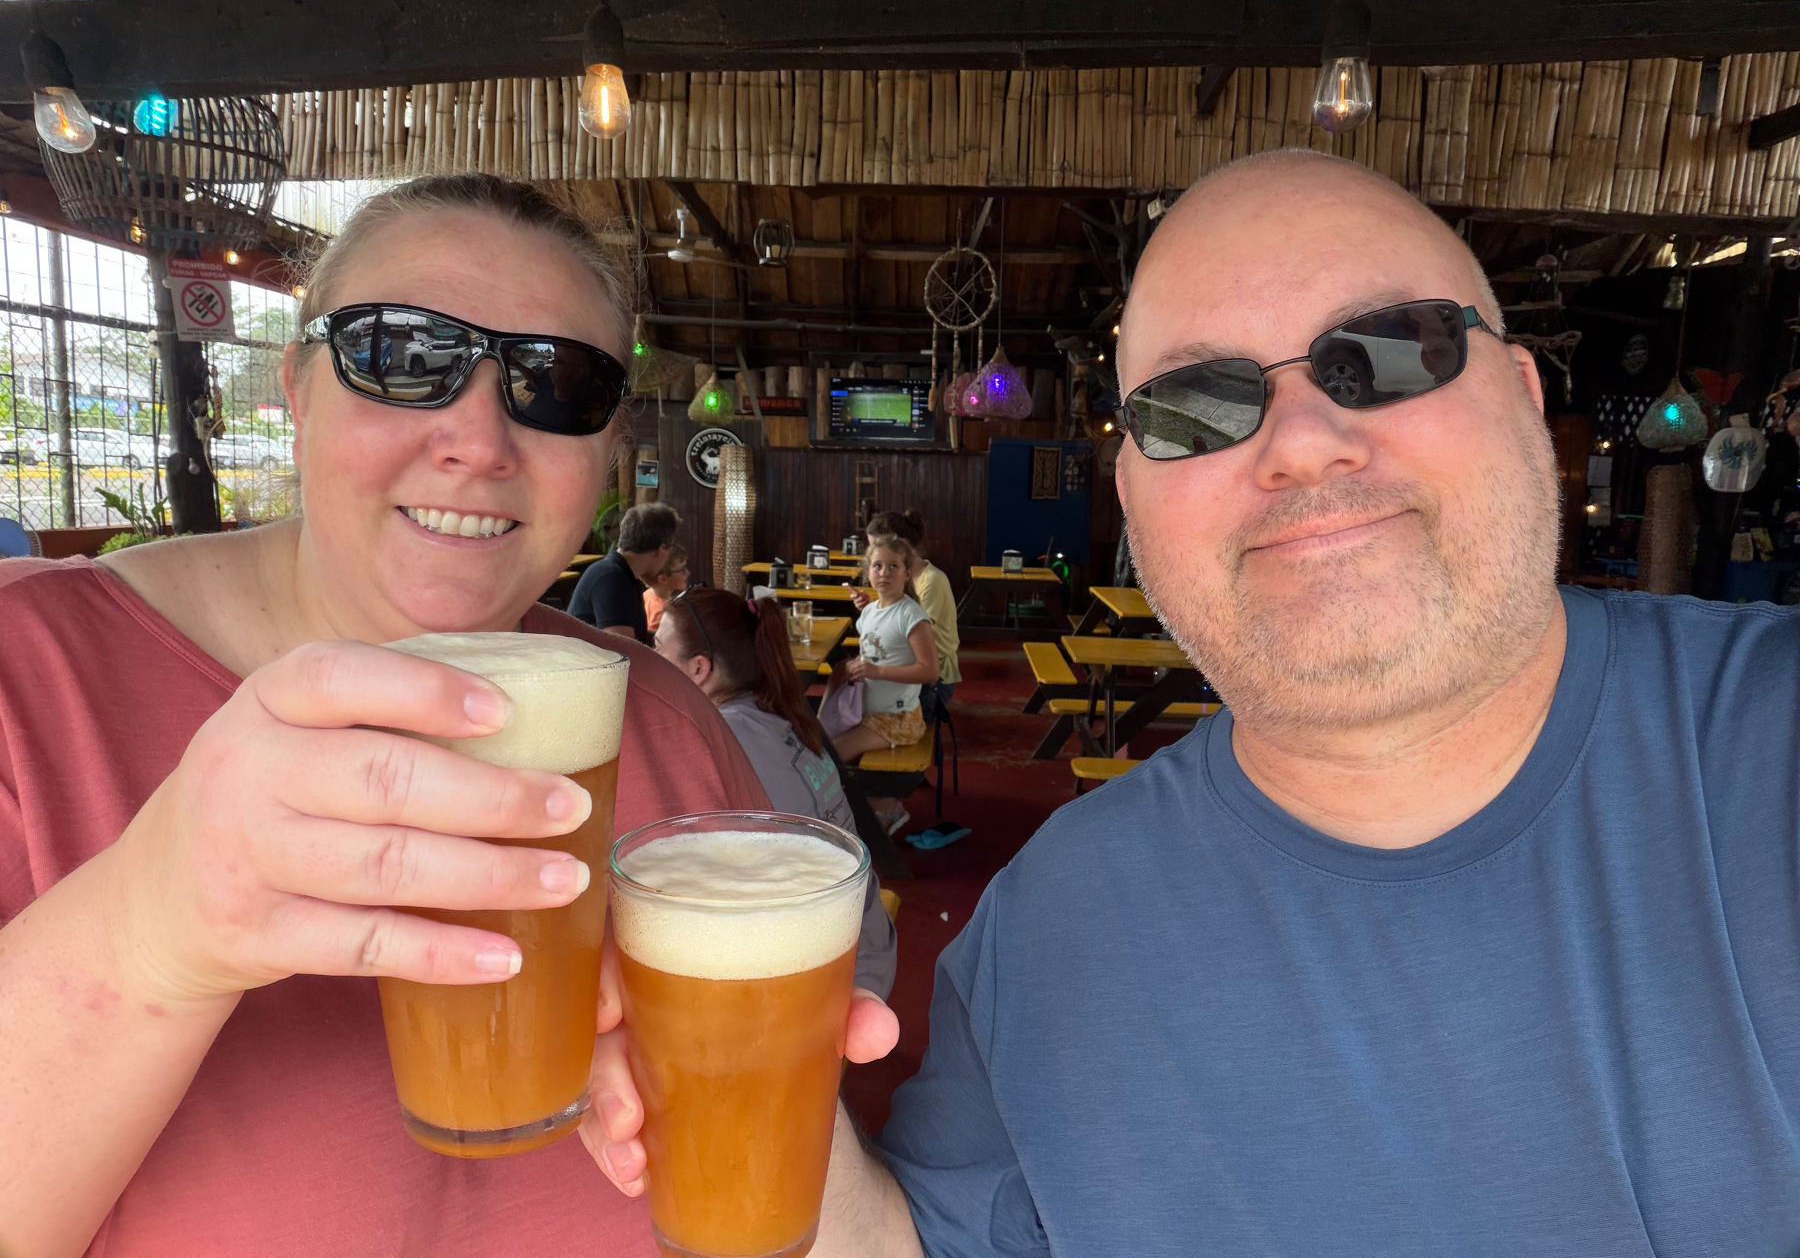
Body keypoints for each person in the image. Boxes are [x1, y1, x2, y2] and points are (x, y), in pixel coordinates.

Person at [589, 147, 1800, 1255]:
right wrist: (741, 1101)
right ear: (1132, 489)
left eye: (1387, 353)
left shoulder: (1767, 744)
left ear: (1525, 399)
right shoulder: (1046, 928)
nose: (1303, 443)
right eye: (1198, 406)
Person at [0, 172, 900, 1258]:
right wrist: (148, 932)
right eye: (401, 355)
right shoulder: (29, 679)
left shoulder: (659, 715)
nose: (479, 440)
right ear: (295, 384)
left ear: (604, 451)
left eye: (559, 387)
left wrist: (788, 1112)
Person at [654, 585, 897, 998]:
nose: (650, 659)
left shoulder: (721, 741)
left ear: (698, 669)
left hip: (836, 970)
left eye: (657, 647)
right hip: (867, 932)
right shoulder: (776, 710)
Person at [831, 535, 937, 838]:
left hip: (899, 719)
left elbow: (929, 671)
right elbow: (872, 651)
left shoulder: (912, 616)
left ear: (907, 573)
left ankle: (882, 809)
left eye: (893, 566)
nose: (884, 572)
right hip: (868, 710)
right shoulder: (869, 611)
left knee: (832, 755)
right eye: (877, 566)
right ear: (868, 572)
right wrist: (857, 667)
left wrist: (876, 671)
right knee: (818, 740)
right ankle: (878, 803)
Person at [866, 510, 959, 722]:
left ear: (901, 545)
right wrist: (871, 607)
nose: (874, 554)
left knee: (874, 712)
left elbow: (912, 637)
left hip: (936, 679)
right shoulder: (901, 577)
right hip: (909, 665)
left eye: (876, 546)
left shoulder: (932, 580)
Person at [568, 501, 679, 642]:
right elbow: (621, 648)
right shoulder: (611, 577)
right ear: (661, 550)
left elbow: (637, 638)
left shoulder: (621, 573)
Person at [641, 542, 688, 633]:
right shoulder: (661, 614)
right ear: (663, 579)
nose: (688, 573)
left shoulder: (648, 595)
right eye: (682, 569)